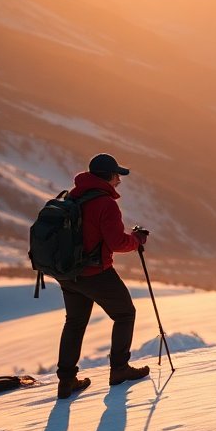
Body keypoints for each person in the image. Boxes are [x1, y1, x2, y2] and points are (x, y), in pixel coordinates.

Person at [55, 153, 152, 399]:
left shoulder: (74, 196)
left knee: (74, 323)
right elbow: (117, 242)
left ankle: (66, 381)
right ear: (108, 176)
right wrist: (137, 239)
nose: (119, 179)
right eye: (117, 174)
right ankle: (119, 369)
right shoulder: (105, 203)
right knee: (125, 313)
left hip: (68, 273)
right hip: (95, 272)